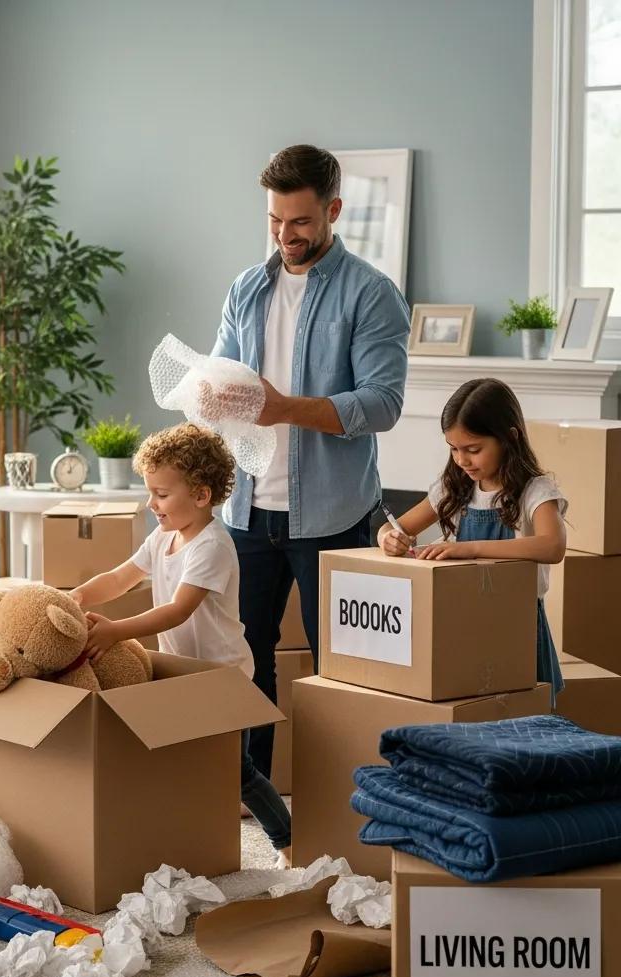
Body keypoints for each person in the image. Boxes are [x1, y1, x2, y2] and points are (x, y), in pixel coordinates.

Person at [208, 143, 410, 781]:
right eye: (274, 220)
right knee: (242, 663)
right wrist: (210, 393)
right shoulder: (248, 286)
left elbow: (382, 404)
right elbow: (222, 370)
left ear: (333, 211)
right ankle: (253, 803)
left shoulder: (371, 294)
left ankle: (343, 808)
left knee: (344, 671)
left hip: (334, 515)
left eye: (299, 222)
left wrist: (285, 408)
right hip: (247, 510)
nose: (284, 235)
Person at [70, 423, 292, 857]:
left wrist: (116, 631)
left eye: (162, 494)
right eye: (150, 492)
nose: (152, 504)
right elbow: (120, 577)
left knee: (237, 772)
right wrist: (78, 596)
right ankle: (192, 839)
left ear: (201, 496)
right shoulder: (164, 536)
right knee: (181, 759)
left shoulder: (211, 546)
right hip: (183, 673)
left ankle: (289, 841)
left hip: (223, 678)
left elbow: (177, 609)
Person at [378, 377, 567, 702]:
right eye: (454, 449)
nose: (462, 460)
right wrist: (389, 537)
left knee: (522, 720)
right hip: (458, 624)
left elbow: (553, 546)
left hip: (517, 627)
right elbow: (395, 527)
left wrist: (467, 549)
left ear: (510, 438)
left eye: (473, 450)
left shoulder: (536, 491)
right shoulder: (454, 489)